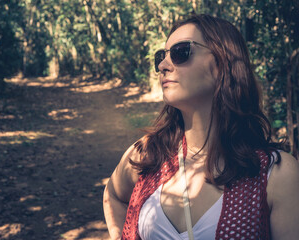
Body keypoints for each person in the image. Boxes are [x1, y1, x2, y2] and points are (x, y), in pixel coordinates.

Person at [103, 14, 299, 240]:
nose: (163, 66)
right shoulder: (149, 153)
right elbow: (114, 195)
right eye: (161, 56)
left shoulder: (276, 175)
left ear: (222, 63)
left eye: (180, 52)